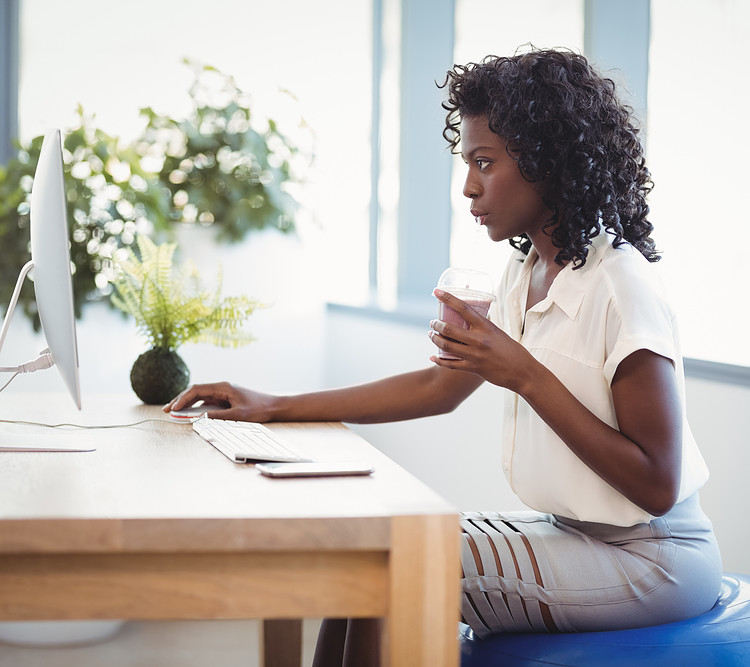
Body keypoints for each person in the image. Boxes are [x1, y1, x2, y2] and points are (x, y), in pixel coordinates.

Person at [164, 47, 722, 665]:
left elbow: (657, 484)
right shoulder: (528, 268)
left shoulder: (622, 284)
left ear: (548, 163)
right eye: (468, 163)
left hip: (653, 558)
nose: (468, 187)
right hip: (577, 534)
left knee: (401, 561)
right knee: (371, 540)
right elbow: (438, 390)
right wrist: (275, 405)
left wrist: (523, 375)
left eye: (485, 163)